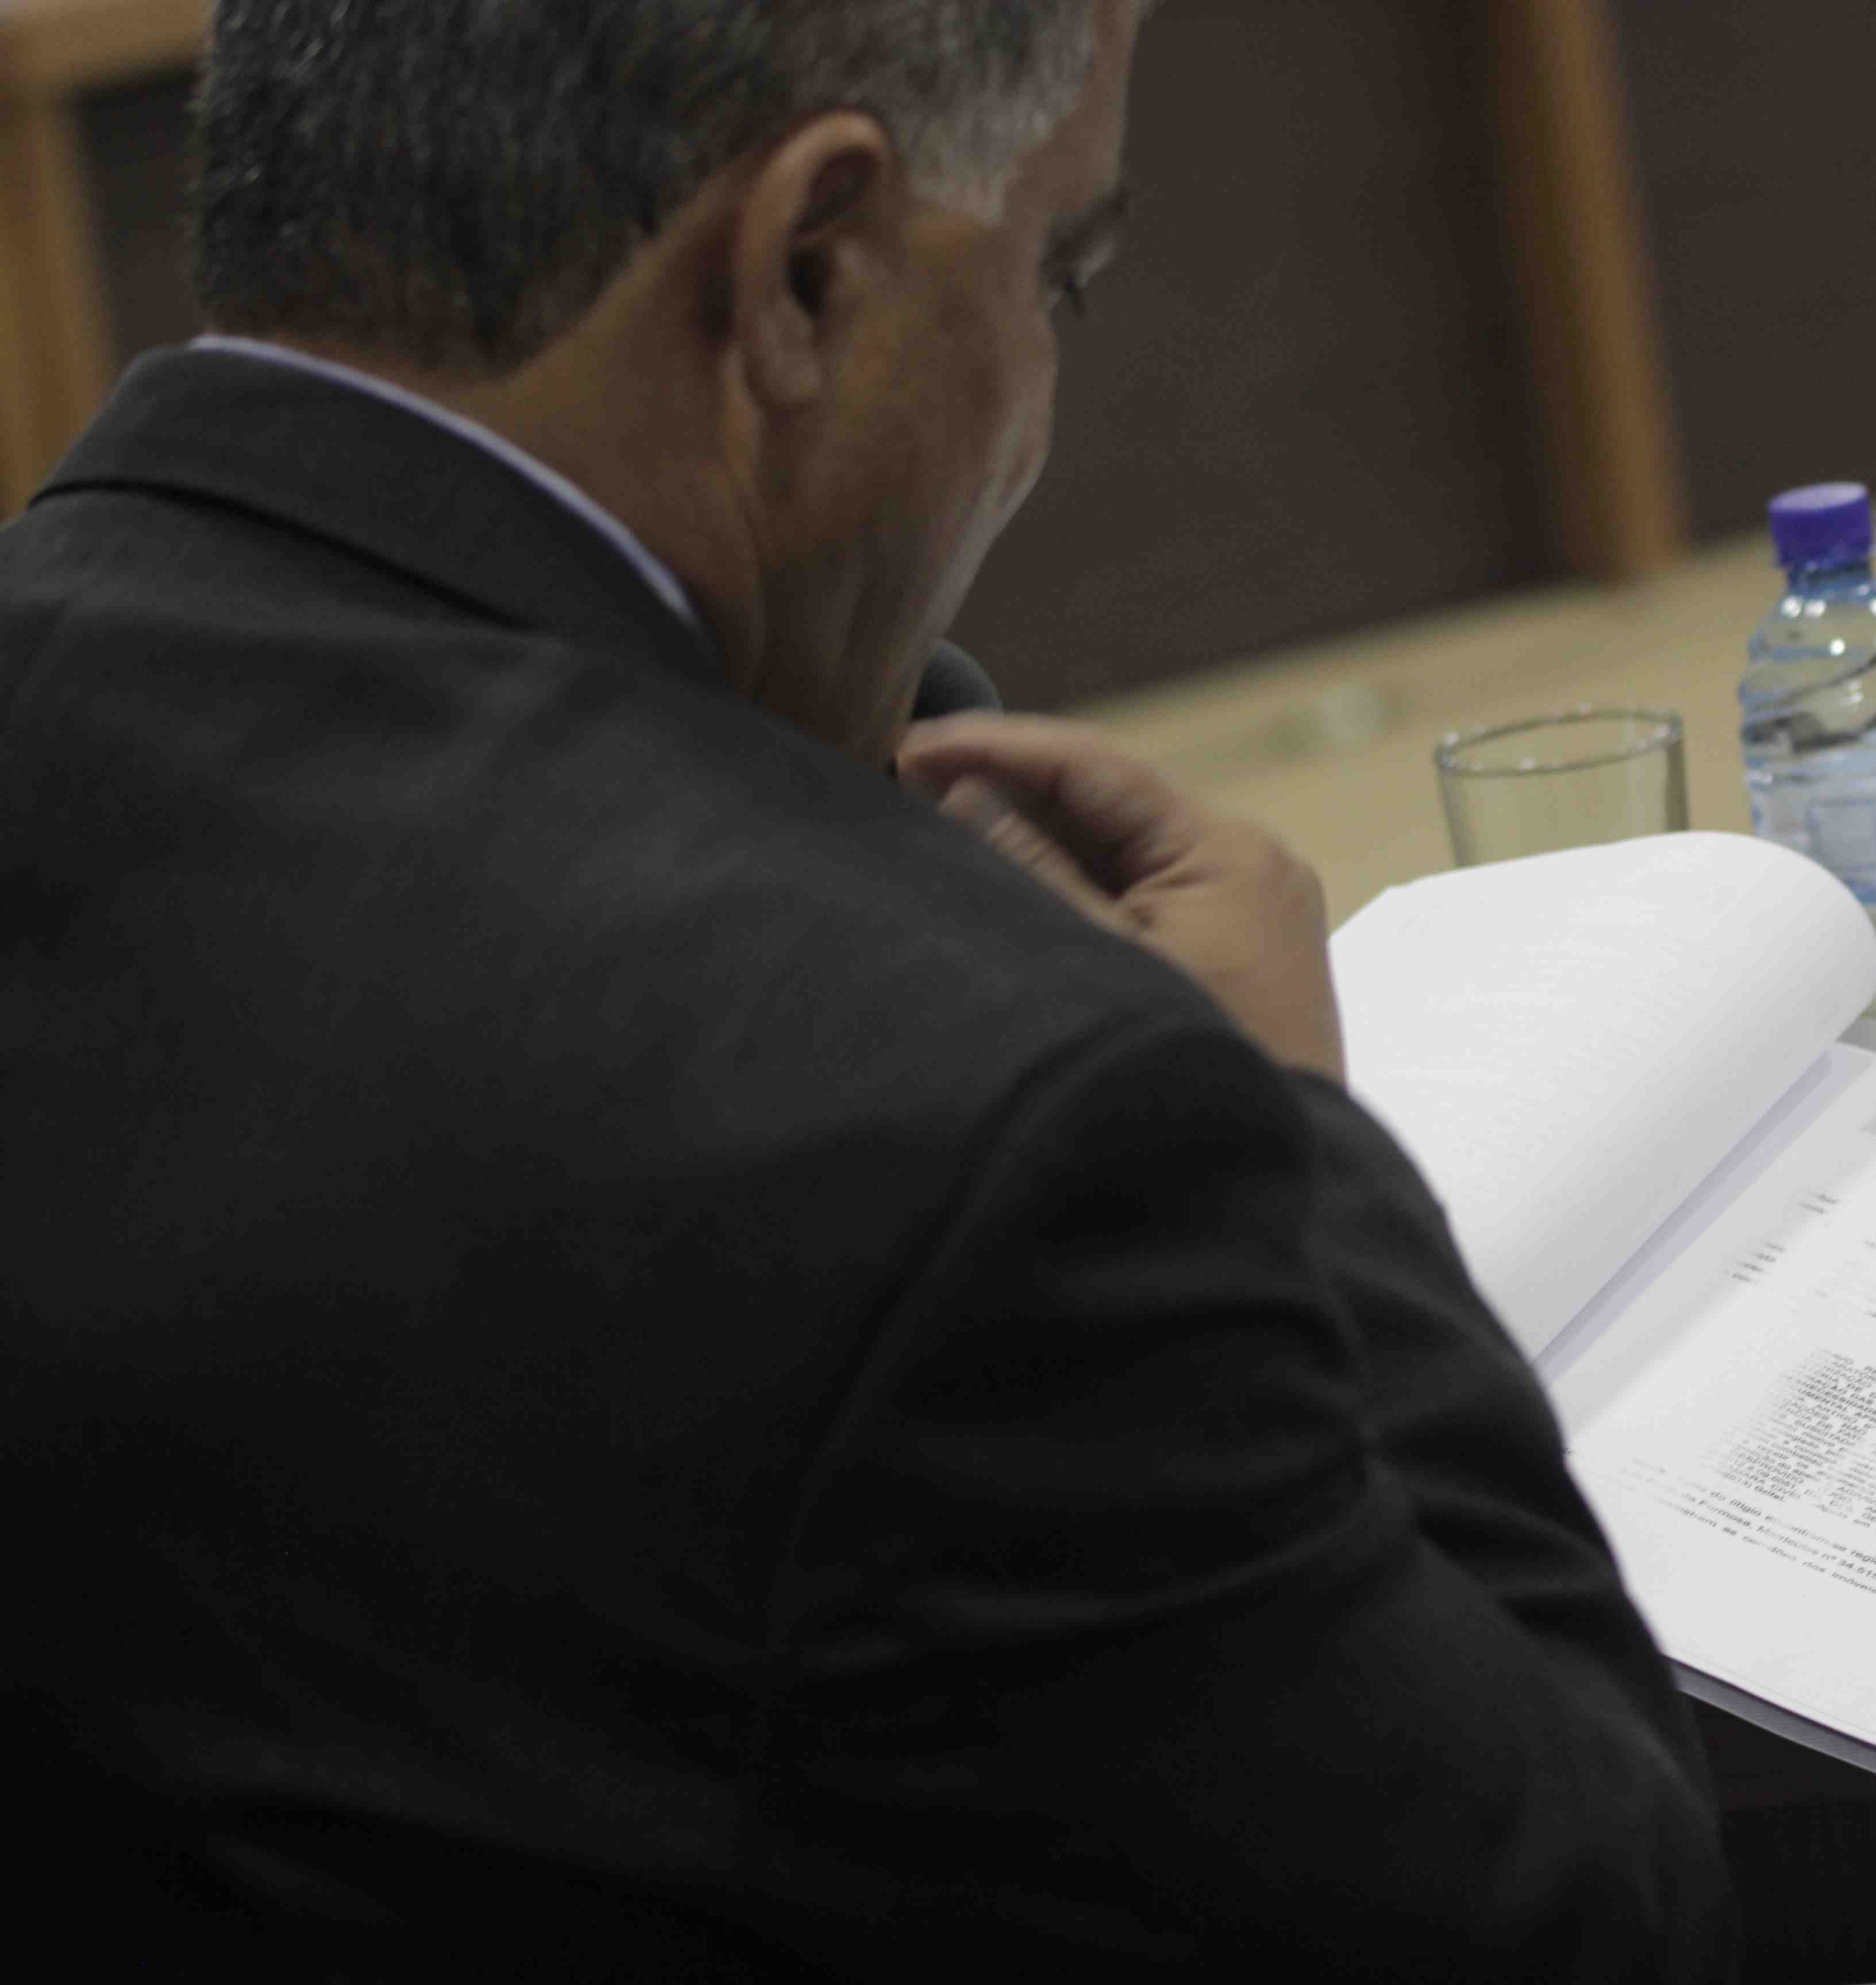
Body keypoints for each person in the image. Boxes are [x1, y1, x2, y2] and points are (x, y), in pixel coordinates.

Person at [0, 2, 1735, 1975]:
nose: (1038, 401)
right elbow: (1582, 1915)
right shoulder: (1002, 1137)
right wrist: (1288, 1142)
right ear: (808, 272)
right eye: (1059, 274)